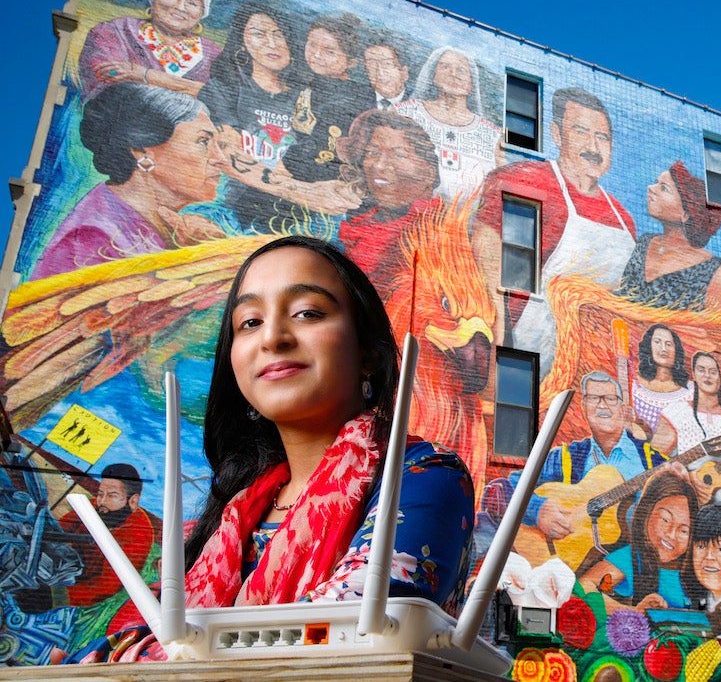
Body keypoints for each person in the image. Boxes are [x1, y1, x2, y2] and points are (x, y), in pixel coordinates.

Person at [69, 236, 475, 663]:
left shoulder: (424, 475)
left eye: (307, 312)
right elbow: (149, 630)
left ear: (368, 354)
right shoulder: (235, 509)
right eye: (249, 322)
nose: (273, 338)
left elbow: (354, 626)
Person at [473, 87, 636, 369]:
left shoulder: (623, 219)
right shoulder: (523, 180)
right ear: (557, 134)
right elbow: (485, 241)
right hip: (523, 348)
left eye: (603, 138)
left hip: (590, 362)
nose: (593, 147)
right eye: (581, 132)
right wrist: (496, 316)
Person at [32, 83, 226, 279]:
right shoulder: (93, 240)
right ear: (142, 151)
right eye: (203, 142)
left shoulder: (171, 229)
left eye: (220, 145)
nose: (221, 159)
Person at [199, 3, 354, 225]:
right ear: (242, 42)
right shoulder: (223, 90)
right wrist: (300, 191)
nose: (272, 43)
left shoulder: (310, 96)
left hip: (309, 218)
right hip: (240, 209)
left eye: (279, 35)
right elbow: (227, 151)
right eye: (258, 34)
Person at [513, 372, 664, 555]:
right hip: (572, 567)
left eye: (610, 398)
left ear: (623, 409)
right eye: (594, 398)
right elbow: (514, 483)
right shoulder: (566, 457)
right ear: (584, 407)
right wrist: (538, 509)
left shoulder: (651, 459)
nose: (602, 405)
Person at [335, 110, 441, 290]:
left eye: (399, 155)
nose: (379, 165)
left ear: (429, 174)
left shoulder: (437, 235)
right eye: (372, 153)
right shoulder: (357, 229)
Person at [78, 0, 221, 99]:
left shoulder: (213, 54)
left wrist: (145, 75)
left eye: (192, 3)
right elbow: (108, 76)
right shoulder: (116, 30)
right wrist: (191, 89)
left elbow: (222, 101)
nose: (180, 7)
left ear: (201, 14)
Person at [581, 471, 698, 613]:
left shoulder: (696, 568)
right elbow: (584, 586)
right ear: (646, 514)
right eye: (665, 520)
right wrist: (632, 611)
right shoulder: (631, 559)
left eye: (684, 531)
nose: (672, 535)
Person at [397, 46, 503, 200]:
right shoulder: (406, 113)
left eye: (461, 70)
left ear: (471, 83)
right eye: (445, 67)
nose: (454, 74)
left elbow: (500, 188)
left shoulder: (492, 135)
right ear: (434, 75)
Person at [617, 161, 721, 311]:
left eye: (663, 188)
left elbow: (713, 328)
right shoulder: (645, 242)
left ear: (686, 214)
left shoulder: (713, 272)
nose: (650, 188)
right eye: (656, 183)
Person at [279, 14, 374, 184]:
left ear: (351, 62)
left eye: (329, 51)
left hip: (318, 183)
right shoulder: (307, 83)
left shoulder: (356, 98)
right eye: (312, 44)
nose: (315, 55)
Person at [58, 464, 156, 607]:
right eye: (100, 493)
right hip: (62, 569)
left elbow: (109, 583)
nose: (102, 501)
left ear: (133, 501)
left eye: (111, 495)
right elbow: (61, 528)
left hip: (79, 595)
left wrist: (57, 596)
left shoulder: (139, 532)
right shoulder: (92, 506)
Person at [652, 352, 721, 458]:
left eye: (713, 372)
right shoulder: (676, 412)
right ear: (694, 375)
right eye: (701, 370)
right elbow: (653, 459)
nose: (707, 375)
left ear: (720, 377)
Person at [631, 324, 691, 436]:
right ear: (649, 347)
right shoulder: (632, 386)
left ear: (676, 351)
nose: (663, 348)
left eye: (669, 344)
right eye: (657, 342)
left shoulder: (691, 391)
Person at [363, 43, 410, 109]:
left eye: (387, 63)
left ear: (404, 72)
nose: (380, 72)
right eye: (372, 65)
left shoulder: (421, 105)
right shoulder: (357, 99)